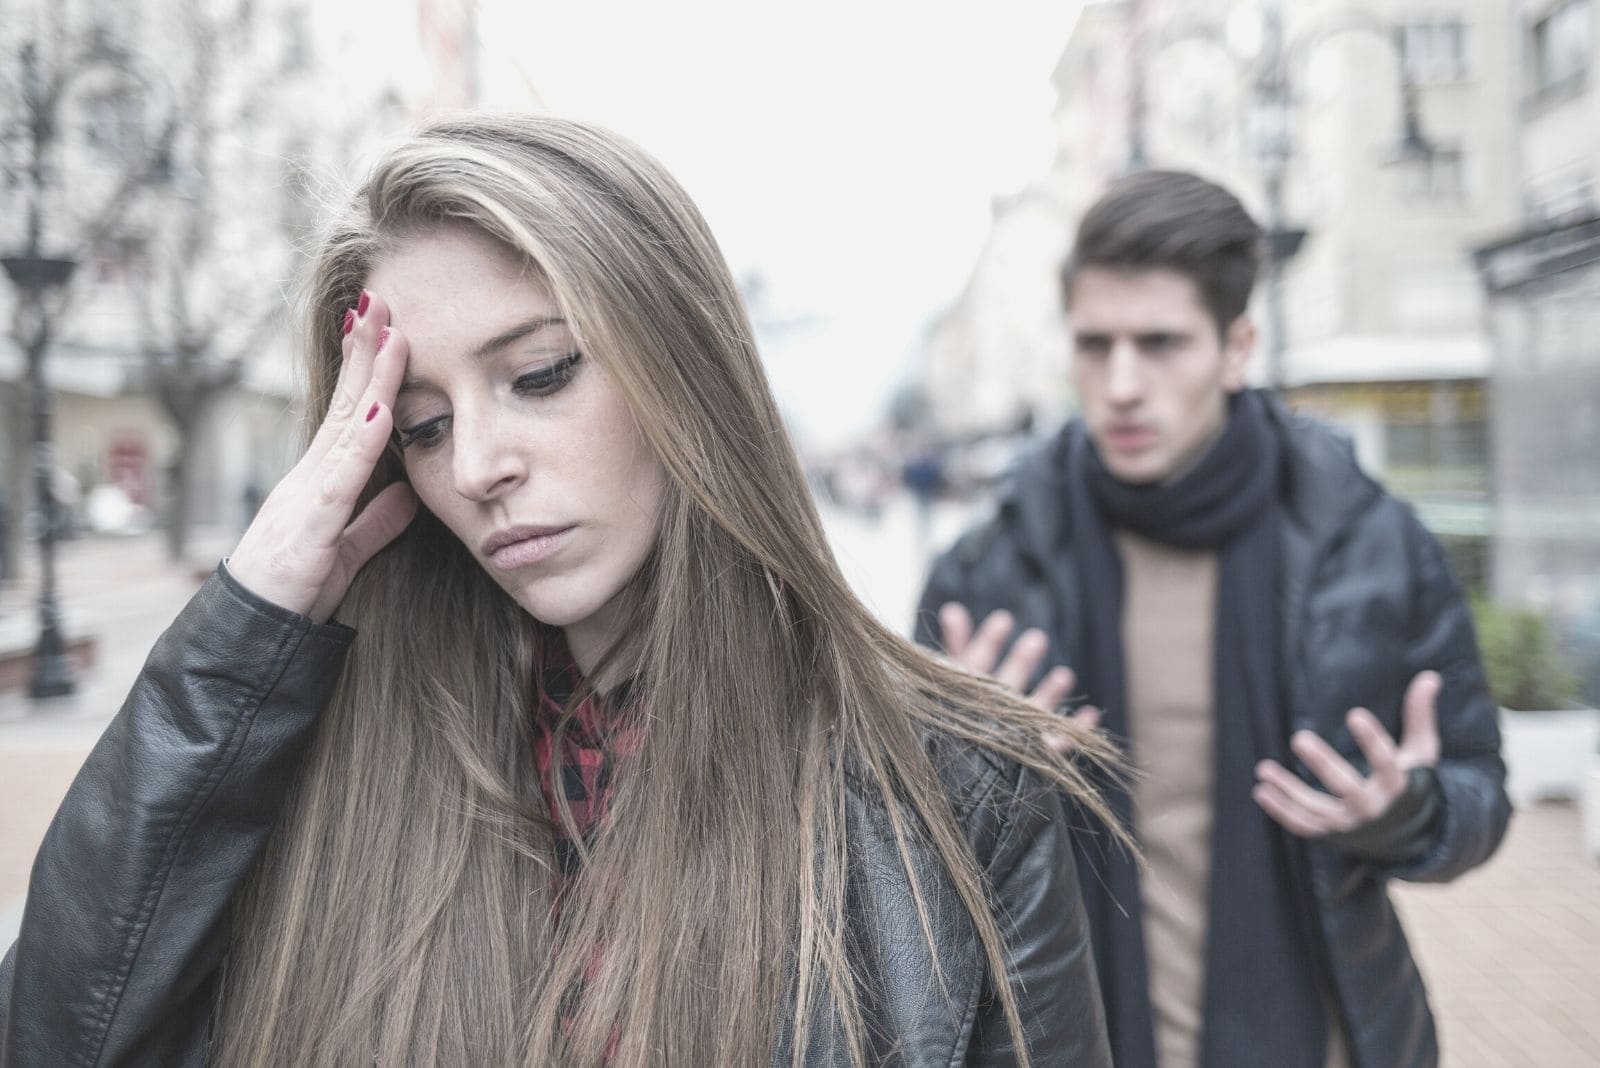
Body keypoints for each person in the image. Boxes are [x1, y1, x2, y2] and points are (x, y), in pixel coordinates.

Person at [0, 114, 1121, 1067]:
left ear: (682, 367)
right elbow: (55, 1033)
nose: (478, 465)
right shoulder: (311, 762)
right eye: (424, 427)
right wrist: (247, 622)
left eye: (538, 375)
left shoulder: (958, 795)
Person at [915, 170, 1509, 1068]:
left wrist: (1404, 813)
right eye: (1095, 344)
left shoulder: (1370, 542)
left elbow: (1480, 796)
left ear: (1237, 348)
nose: (1120, 384)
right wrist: (968, 774)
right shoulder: (990, 571)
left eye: (1161, 344)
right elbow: (901, 862)